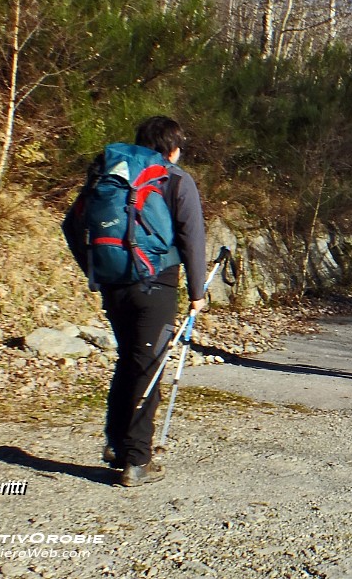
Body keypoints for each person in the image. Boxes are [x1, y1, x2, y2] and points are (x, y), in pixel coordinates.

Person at [64, 116, 207, 487]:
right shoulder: (175, 179)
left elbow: (71, 224)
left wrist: (94, 269)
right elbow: (192, 239)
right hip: (155, 286)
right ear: (173, 148)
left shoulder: (109, 174)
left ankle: (116, 445)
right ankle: (137, 460)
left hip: (114, 283)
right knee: (149, 369)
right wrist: (196, 292)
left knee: (129, 360)